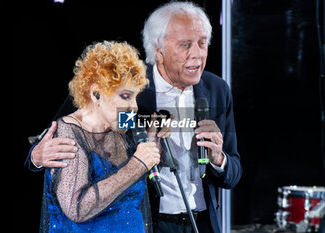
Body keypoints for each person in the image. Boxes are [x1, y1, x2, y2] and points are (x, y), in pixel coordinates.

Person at [29, 2, 242, 233]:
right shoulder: (124, 83)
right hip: (148, 220)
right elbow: (72, 126)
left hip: (202, 222)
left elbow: (233, 173)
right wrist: (36, 157)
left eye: (202, 43)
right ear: (159, 50)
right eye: (185, 45)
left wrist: (219, 159)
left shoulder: (216, 90)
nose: (198, 54)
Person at [39, 41, 165, 233]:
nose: (134, 107)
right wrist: (136, 165)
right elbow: (76, 208)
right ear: (96, 93)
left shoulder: (124, 130)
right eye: (125, 96)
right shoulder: (69, 131)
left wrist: (154, 144)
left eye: (135, 97)